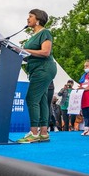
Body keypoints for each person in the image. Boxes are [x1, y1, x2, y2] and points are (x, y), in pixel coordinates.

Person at [17, 9, 57, 143]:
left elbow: (45, 52)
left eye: (30, 16)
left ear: (38, 19)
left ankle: (34, 133)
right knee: (41, 100)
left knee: (31, 98)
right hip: (36, 69)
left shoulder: (45, 32)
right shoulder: (33, 36)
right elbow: (32, 54)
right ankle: (43, 133)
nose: (27, 19)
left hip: (44, 69)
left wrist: (24, 50)